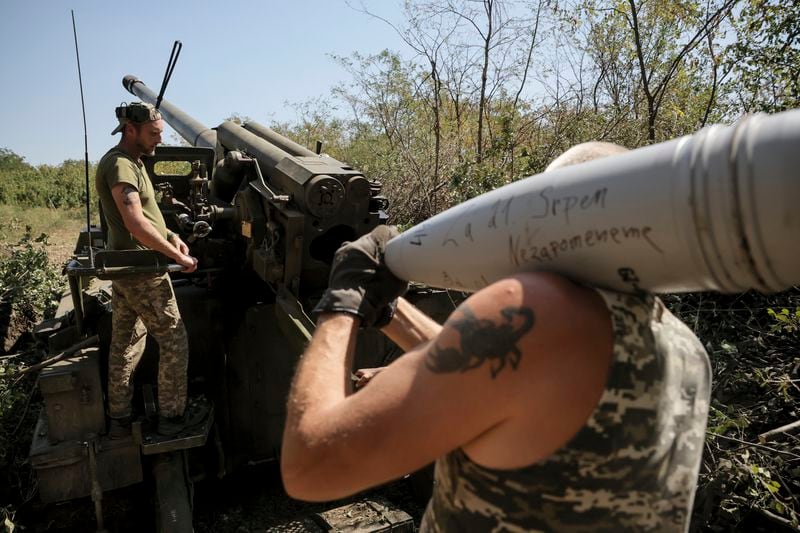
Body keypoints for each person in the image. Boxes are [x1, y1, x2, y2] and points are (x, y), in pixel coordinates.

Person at [280, 142, 712, 531]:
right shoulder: (684, 346)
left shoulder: (536, 309)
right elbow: (494, 377)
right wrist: (389, 310)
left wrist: (342, 302)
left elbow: (311, 466)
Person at [96, 101, 199, 437]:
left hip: (129, 268)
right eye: (153, 134)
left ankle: (120, 419)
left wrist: (172, 235)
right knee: (174, 340)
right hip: (142, 270)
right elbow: (135, 223)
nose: (158, 140)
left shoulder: (134, 163)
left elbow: (148, 215)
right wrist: (178, 257)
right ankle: (172, 419)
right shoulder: (121, 165)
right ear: (131, 130)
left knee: (125, 343)